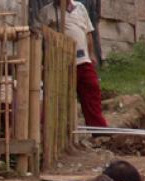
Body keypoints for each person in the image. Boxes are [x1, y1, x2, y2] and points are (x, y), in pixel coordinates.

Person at [42, 0, 108, 128]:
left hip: (83, 60)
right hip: (62, 63)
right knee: (60, 96)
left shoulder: (80, 7)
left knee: (92, 89)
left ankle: (98, 127)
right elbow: (38, 34)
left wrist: (91, 54)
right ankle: (58, 127)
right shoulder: (47, 11)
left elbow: (88, 33)